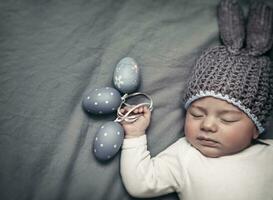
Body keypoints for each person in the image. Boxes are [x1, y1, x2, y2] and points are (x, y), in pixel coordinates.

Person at [119, 0, 273, 200]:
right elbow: (140, 183)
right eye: (196, 114)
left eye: (227, 119)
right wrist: (135, 135)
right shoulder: (184, 155)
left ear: (256, 128)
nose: (207, 125)